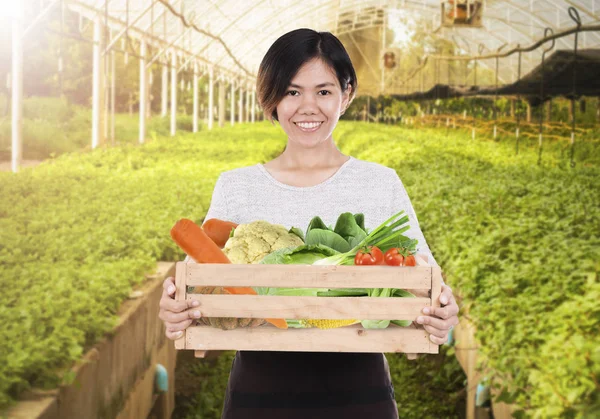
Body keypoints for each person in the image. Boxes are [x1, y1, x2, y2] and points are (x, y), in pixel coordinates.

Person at [158, 28, 459, 419]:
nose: (307, 107)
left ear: (346, 94)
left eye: (323, 91)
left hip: (360, 388)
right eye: (292, 91)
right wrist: (181, 307)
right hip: (258, 390)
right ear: (272, 98)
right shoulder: (237, 186)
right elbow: (207, 291)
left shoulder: (379, 183)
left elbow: (425, 279)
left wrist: (442, 311)